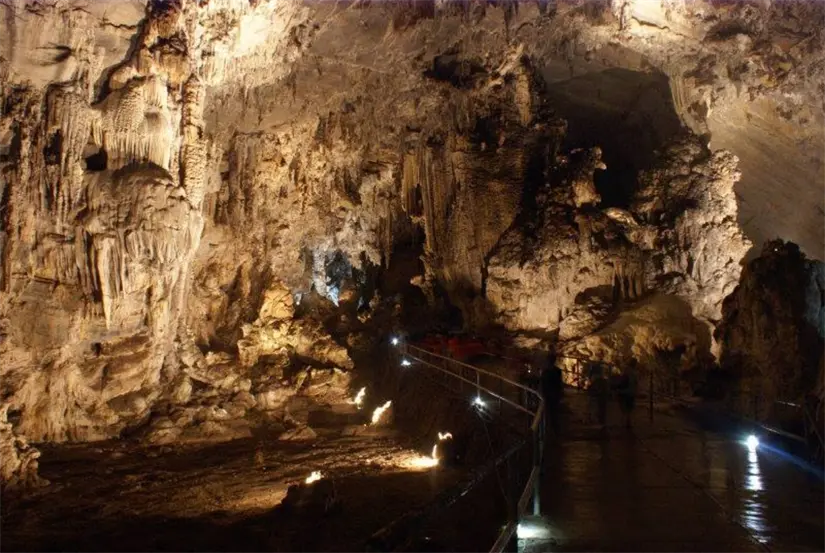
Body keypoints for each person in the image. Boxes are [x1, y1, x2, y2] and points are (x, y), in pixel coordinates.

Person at [541, 351, 563, 436]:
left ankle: (548, 431)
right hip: (555, 394)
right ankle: (556, 430)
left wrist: (543, 394)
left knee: (548, 413)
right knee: (555, 412)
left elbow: (543, 384)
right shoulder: (558, 371)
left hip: (548, 394)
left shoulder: (545, 371)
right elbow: (559, 383)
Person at [617, 360, 639, 429]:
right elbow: (635, 383)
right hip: (630, 392)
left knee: (624, 408)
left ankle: (623, 423)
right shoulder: (634, 373)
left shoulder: (625, 371)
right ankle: (628, 422)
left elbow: (620, 381)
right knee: (629, 409)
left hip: (624, 392)